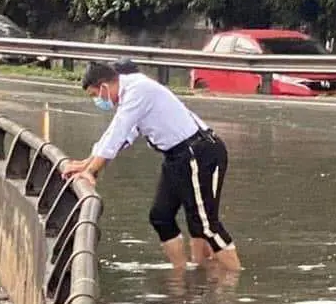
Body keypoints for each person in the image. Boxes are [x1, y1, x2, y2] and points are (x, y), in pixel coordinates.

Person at [62, 62, 241, 272]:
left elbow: (118, 131)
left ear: (104, 86)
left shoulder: (138, 91)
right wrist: (87, 162)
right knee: (161, 216)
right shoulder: (129, 94)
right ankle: (183, 273)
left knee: (204, 223)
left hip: (198, 153)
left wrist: (91, 171)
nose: (98, 100)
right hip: (176, 155)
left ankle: (233, 278)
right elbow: (121, 136)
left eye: (96, 95)